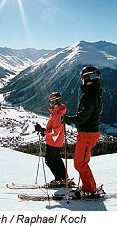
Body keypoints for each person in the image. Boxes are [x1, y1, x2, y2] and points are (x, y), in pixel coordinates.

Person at [61, 66, 103, 198]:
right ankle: (88, 186)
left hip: (87, 134)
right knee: (79, 162)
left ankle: (90, 189)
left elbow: (83, 117)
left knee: (80, 163)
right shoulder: (92, 93)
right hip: (86, 133)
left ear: (86, 78)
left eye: (83, 78)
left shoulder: (90, 96)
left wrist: (68, 119)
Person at [35, 92, 73, 187]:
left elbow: (54, 133)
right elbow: (54, 130)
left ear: (57, 101)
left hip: (54, 141)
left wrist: (43, 131)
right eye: (51, 102)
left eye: (53, 102)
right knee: (56, 159)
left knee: (49, 160)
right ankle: (64, 178)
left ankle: (59, 179)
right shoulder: (57, 111)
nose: (52, 104)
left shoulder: (58, 114)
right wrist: (44, 131)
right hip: (57, 141)